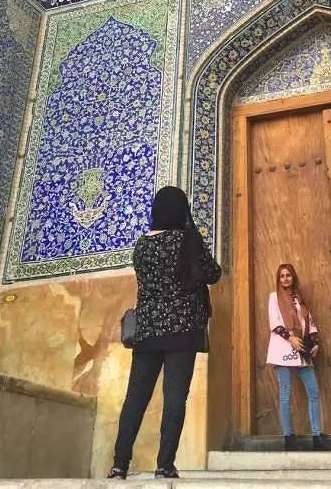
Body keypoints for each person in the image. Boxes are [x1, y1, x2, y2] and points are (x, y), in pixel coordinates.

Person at [108, 186, 221, 480]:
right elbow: (213, 274)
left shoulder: (142, 245)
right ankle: (164, 465)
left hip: (148, 330)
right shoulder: (187, 240)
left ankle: (119, 464)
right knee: (174, 398)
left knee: (136, 398)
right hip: (182, 329)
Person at [267, 263, 331, 451]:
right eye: (282, 276)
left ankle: (317, 437)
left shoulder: (299, 298)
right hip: (282, 349)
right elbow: (274, 322)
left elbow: (308, 322)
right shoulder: (274, 297)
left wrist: (315, 342)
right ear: (278, 279)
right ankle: (289, 438)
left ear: (293, 277)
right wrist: (290, 338)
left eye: (288, 275)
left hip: (302, 350)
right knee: (285, 395)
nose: (285, 279)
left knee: (313, 393)